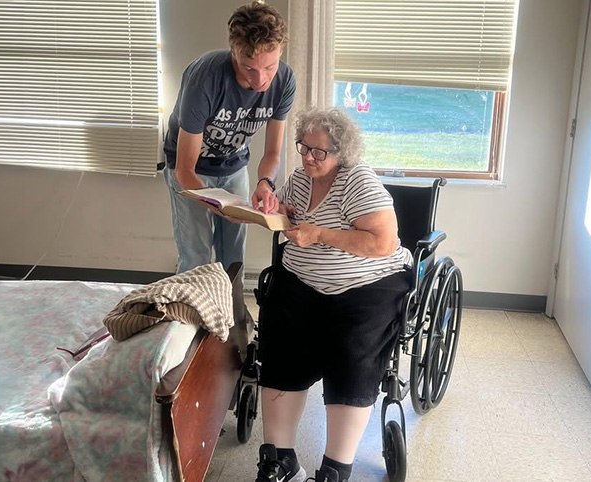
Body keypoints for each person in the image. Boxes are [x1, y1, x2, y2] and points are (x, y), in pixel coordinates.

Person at [254, 108, 413, 482]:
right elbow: (290, 211)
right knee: (280, 340)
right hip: (302, 282)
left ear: (342, 153)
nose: (309, 157)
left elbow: (384, 243)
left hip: (367, 287)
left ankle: (336, 468)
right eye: (304, 148)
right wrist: (275, 208)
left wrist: (320, 234)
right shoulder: (300, 178)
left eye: (319, 152)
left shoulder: (358, 182)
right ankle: (280, 461)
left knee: (352, 349)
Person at [163, 1, 296, 273]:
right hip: (190, 171)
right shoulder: (206, 78)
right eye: (249, 68)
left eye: (269, 67)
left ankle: (231, 315)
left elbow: (272, 154)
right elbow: (185, 169)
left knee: (234, 257)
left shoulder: (284, 81)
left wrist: (265, 184)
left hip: (234, 166)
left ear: (280, 50)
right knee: (196, 254)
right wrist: (215, 203)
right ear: (234, 52)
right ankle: (191, 315)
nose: (261, 80)